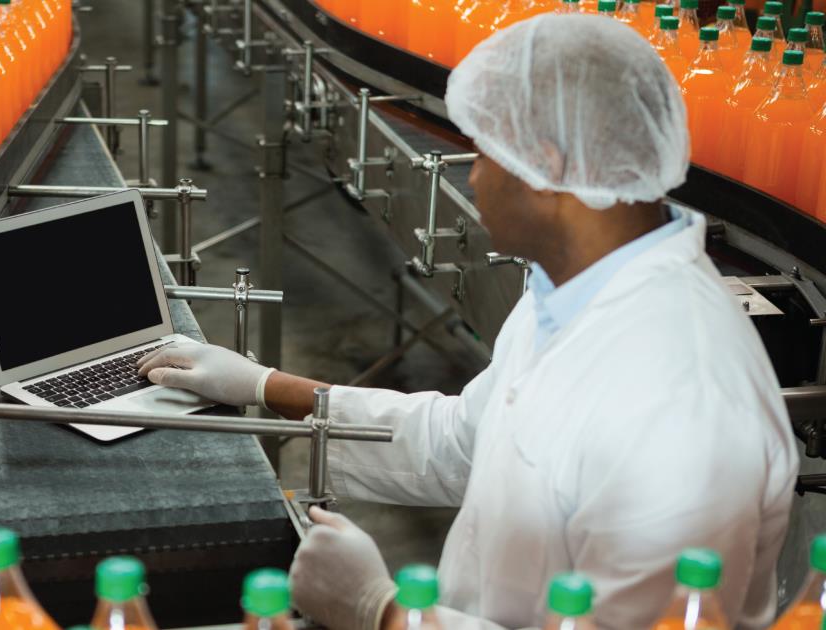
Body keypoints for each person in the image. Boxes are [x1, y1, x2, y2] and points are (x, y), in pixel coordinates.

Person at [137, 13, 797, 630]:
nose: (473, 177)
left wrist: (385, 612)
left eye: (482, 151)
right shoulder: (572, 289)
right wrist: (266, 388)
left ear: (549, 165)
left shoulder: (684, 411)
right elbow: (467, 440)